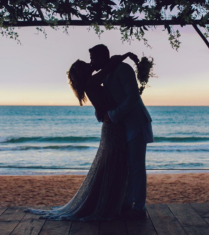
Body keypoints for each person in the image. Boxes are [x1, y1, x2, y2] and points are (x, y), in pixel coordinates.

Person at [25, 52, 139, 221]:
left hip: (112, 126)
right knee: (114, 165)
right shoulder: (91, 82)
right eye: (87, 64)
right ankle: (111, 205)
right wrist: (125, 55)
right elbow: (109, 67)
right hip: (113, 128)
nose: (90, 64)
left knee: (113, 166)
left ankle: (116, 203)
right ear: (84, 72)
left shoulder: (90, 82)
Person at [89, 44, 154, 220]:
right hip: (125, 125)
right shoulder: (108, 73)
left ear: (103, 57)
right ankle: (128, 202)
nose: (92, 62)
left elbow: (133, 96)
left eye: (94, 58)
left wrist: (114, 115)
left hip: (137, 123)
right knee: (128, 166)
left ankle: (139, 208)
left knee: (136, 166)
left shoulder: (123, 69)